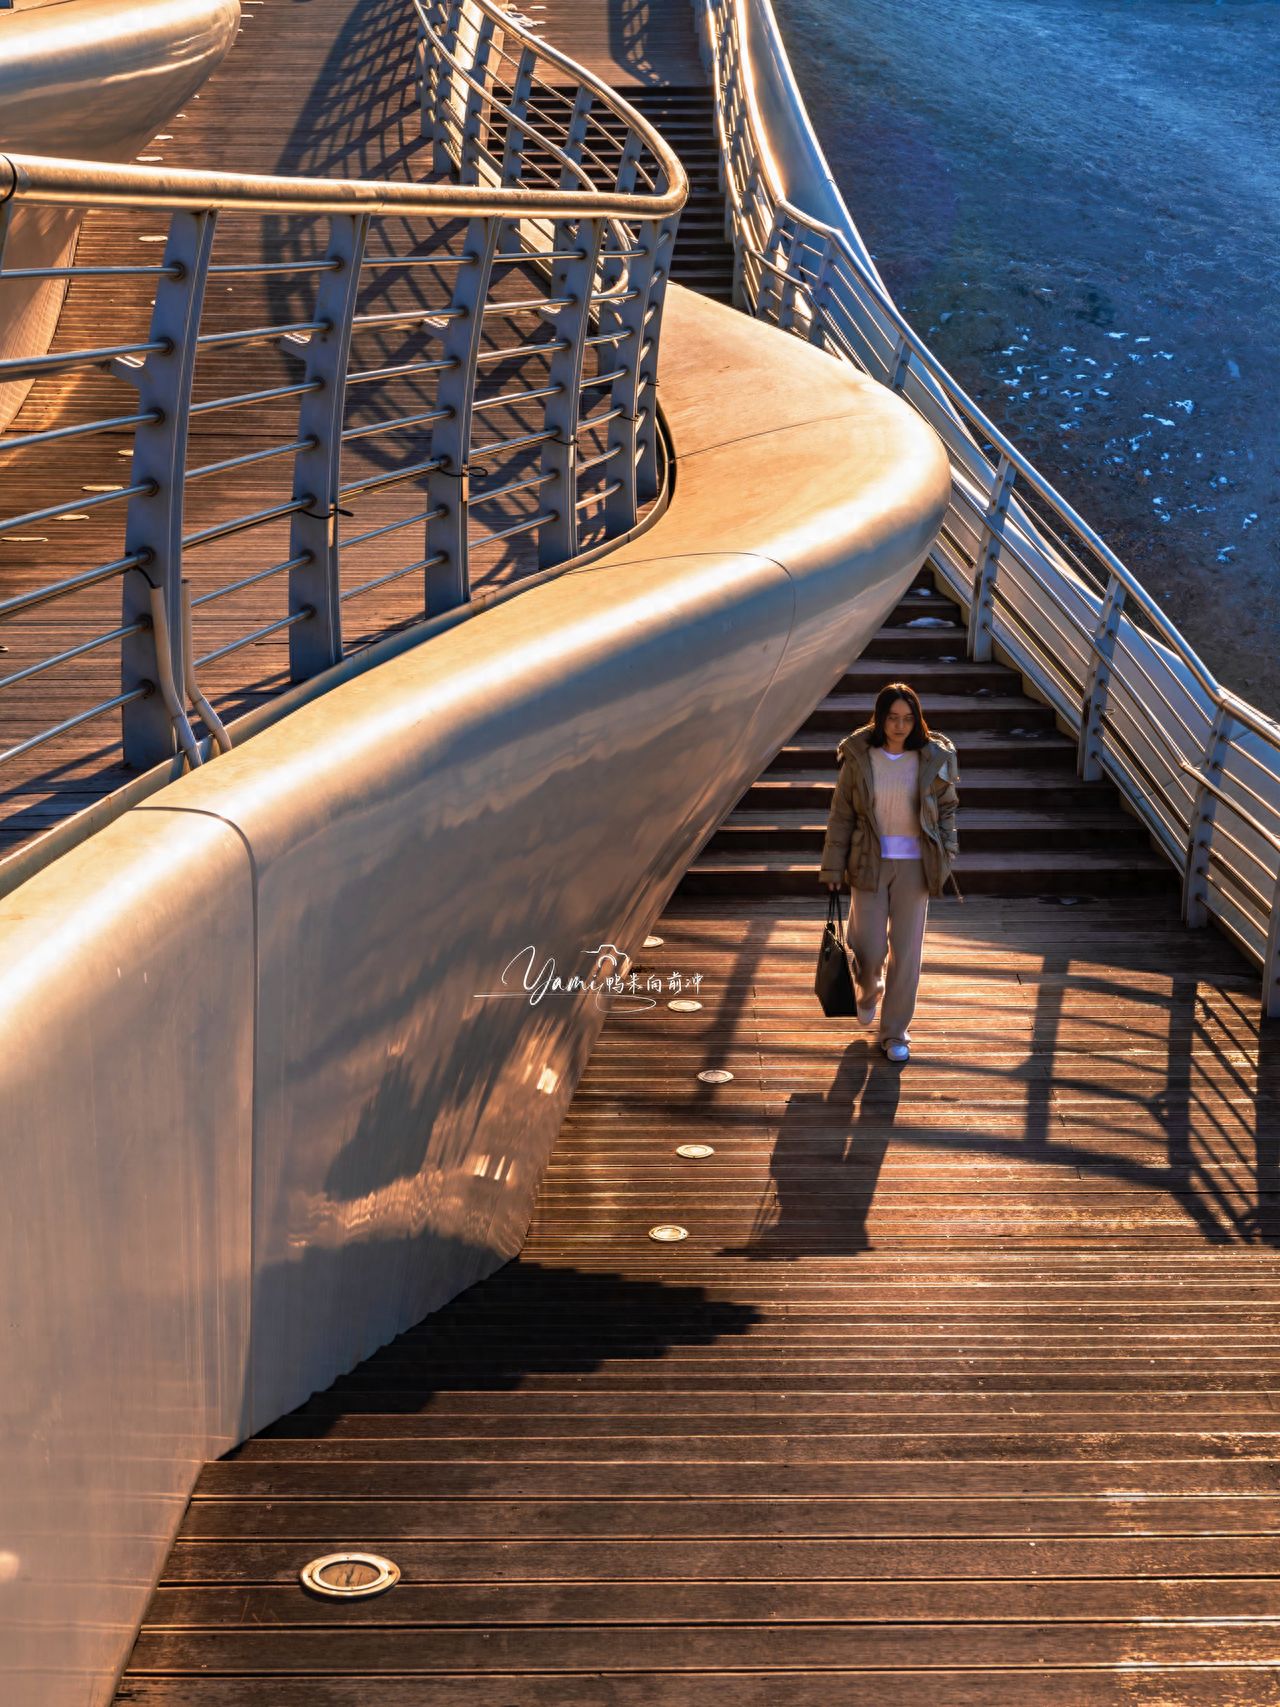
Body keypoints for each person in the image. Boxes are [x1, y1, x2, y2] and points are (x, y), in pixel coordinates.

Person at [818, 681, 959, 1063]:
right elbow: (841, 815)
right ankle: (867, 987)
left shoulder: (931, 757)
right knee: (868, 944)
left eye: (908, 718)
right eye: (893, 718)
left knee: (907, 951)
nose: (900, 726)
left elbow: (947, 809)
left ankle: (895, 1033)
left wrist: (946, 851)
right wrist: (832, 867)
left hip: (916, 866)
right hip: (868, 862)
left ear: (918, 720)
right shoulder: (859, 757)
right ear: (880, 719)